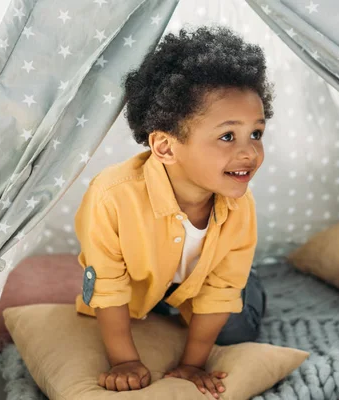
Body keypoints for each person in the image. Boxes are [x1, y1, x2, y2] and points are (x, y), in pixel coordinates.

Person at [73, 26, 273, 397]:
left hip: (206, 278)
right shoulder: (112, 196)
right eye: (228, 136)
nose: (249, 153)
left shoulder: (239, 204)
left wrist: (192, 365)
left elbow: (219, 291)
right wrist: (124, 361)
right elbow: (108, 286)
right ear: (165, 147)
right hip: (147, 281)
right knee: (114, 307)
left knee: (236, 330)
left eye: (256, 134)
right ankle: (167, 300)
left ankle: (253, 280)